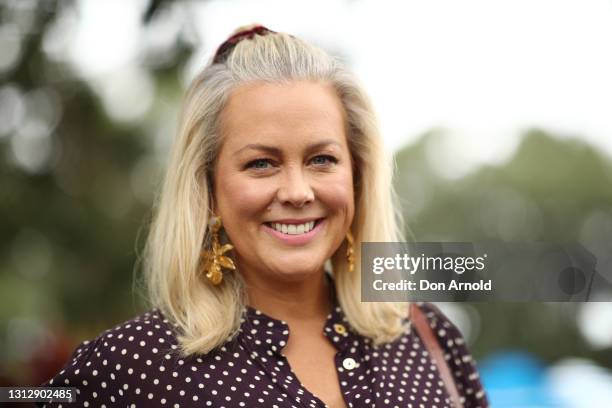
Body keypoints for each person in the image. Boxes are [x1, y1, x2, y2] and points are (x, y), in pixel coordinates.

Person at [39, 25, 488, 408]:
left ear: (357, 178)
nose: (297, 191)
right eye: (261, 163)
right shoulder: (125, 367)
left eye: (322, 159)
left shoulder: (427, 337)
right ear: (207, 188)